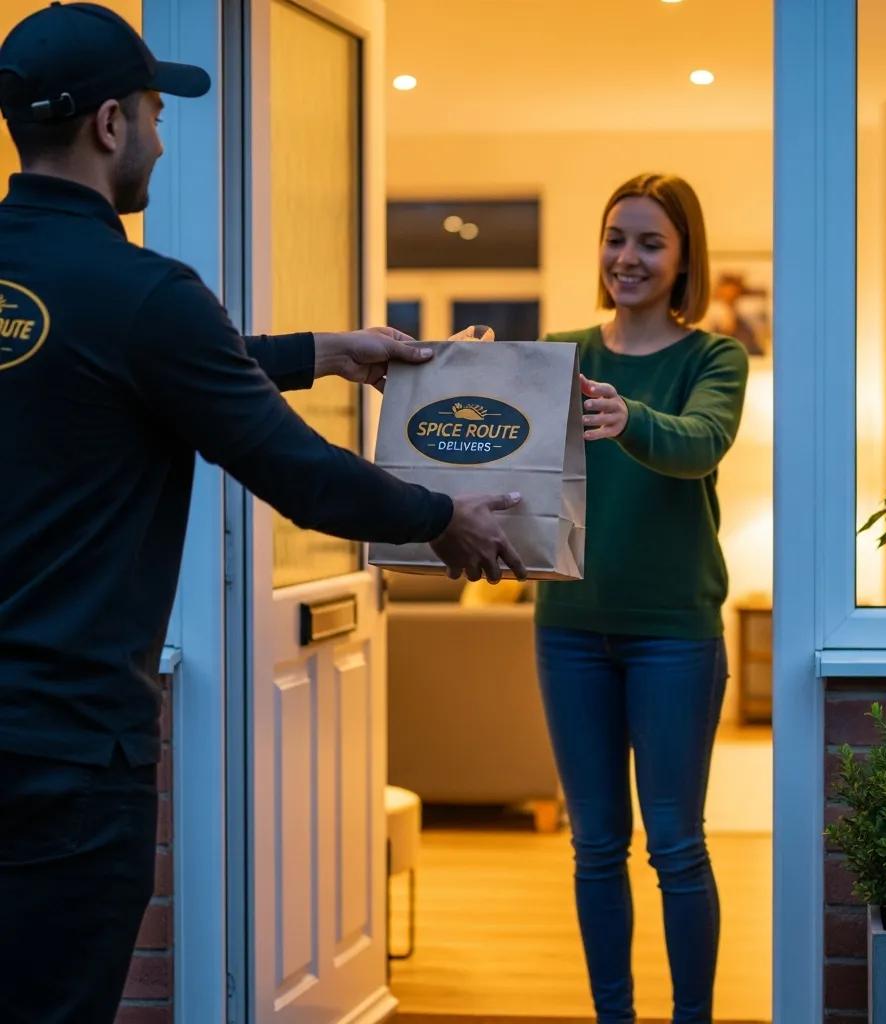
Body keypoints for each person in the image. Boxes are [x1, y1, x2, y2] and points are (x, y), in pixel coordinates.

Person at [0, 5, 524, 1022]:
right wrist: (441, 513)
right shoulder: (144, 293)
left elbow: (138, 373)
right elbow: (298, 473)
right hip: (66, 756)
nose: (159, 133)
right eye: (154, 110)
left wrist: (323, 351)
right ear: (110, 125)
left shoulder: (125, 308)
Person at [535, 173, 749, 1024]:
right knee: (593, 848)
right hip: (569, 632)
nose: (628, 256)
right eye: (616, 237)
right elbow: (509, 454)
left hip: (674, 636)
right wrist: (474, 368)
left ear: (684, 256)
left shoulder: (713, 357)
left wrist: (632, 419)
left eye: (651, 242)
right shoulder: (562, 351)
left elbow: (702, 444)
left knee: (676, 846)